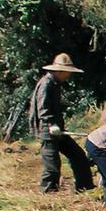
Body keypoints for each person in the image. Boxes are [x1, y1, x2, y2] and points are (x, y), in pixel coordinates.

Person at [27, 52, 95, 194]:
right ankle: (48, 194)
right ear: (60, 71)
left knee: (78, 156)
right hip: (48, 129)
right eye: (67, 72)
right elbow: (42, 108)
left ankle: (85, 188)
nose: (68, 75)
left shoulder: (55, 83)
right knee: (52, 166)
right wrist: (51, 124)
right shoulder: (46, 84)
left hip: (58, 128)